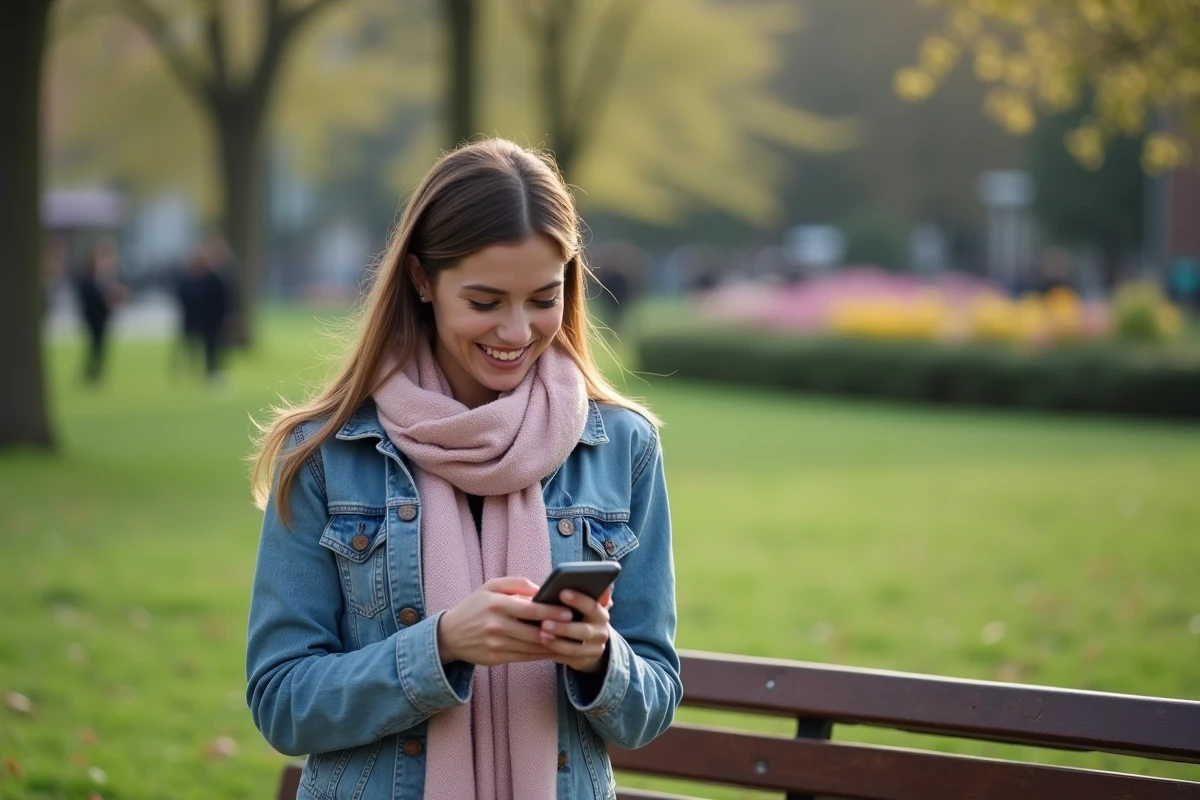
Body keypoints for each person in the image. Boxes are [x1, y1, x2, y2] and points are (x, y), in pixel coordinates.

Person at [245, 139, 681, 800]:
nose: (516, 331)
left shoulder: (622, 446)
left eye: (543, 298)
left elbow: (652, 702)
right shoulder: (328, 453)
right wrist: (441, 645)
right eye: (485, 302)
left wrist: (599, 658)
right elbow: (282, 702)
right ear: (422, 281)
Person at [174, 240, 231, 383]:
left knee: (212, 347)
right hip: (193, 318)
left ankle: (212, 371)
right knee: (189, 345)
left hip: (212, 319)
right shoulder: (188, 279)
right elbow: (182, 296)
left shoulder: (215, 279)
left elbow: (223, 298)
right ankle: (187, 370)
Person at [75, 237, 126, 384]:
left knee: (101, 345)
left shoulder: (113, 273)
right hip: (92, 314)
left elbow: (121, 288)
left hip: (104, 314)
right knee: (94, 344)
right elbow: (86, 293)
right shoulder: (89, 274)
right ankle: (90, 372)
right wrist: (104, 298)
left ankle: (96, 373)